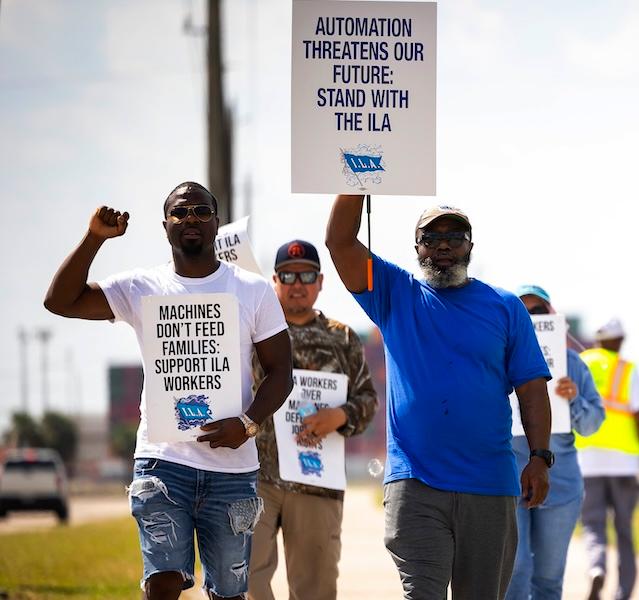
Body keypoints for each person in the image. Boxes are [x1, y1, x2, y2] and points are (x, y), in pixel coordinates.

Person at [43, 182, 293, 600]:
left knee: (229, 593)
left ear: (216, 221)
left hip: (231, 470)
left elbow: (281, 370)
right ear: (165, 226)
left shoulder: (252, 290)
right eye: (180, 213)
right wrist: (94, 239)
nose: (190, 219)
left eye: (200, 211)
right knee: (160, 583)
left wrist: (248, 425)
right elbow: (60, 301)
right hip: (163, 466)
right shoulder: (141, 287)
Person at [325, 196, 553, 599]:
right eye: (431, 237)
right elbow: (340, 242)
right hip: (415, 484)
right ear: (417, 248)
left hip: (489, 484)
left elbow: (532, 388)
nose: (443, 245)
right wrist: (357, 182)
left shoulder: (506, 307)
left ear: (470, 246)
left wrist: (539, 457)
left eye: (454, 237)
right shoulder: (395, 293)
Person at [247, 240, 378, 600]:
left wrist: (341, 415)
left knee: (315, 589)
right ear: (274, 280)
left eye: (306, 275)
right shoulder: (251, 331)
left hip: (316, 480)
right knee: (242, 581)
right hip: (254, 476)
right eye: (287, 276)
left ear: (320, 281)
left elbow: (368, 399)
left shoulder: (342, 337)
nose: (297, 283)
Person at [505, 285, 605, 600]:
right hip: (509, 482)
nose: (532, 319)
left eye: (539, 312)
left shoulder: (573, 364)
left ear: (552, 316)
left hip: (560, 486)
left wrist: (573, 400)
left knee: (548, 579)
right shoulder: (497, 356)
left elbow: (592, 425)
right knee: (515, 572)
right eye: (524, 313)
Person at [576, 318, 639, 600]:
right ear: (618, 340)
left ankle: (597, 570)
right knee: (624, 531)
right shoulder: (626, 369)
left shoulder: (580, 364)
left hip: (587, 462)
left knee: (593, 525)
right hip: (624, 463)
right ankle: (623, 593)